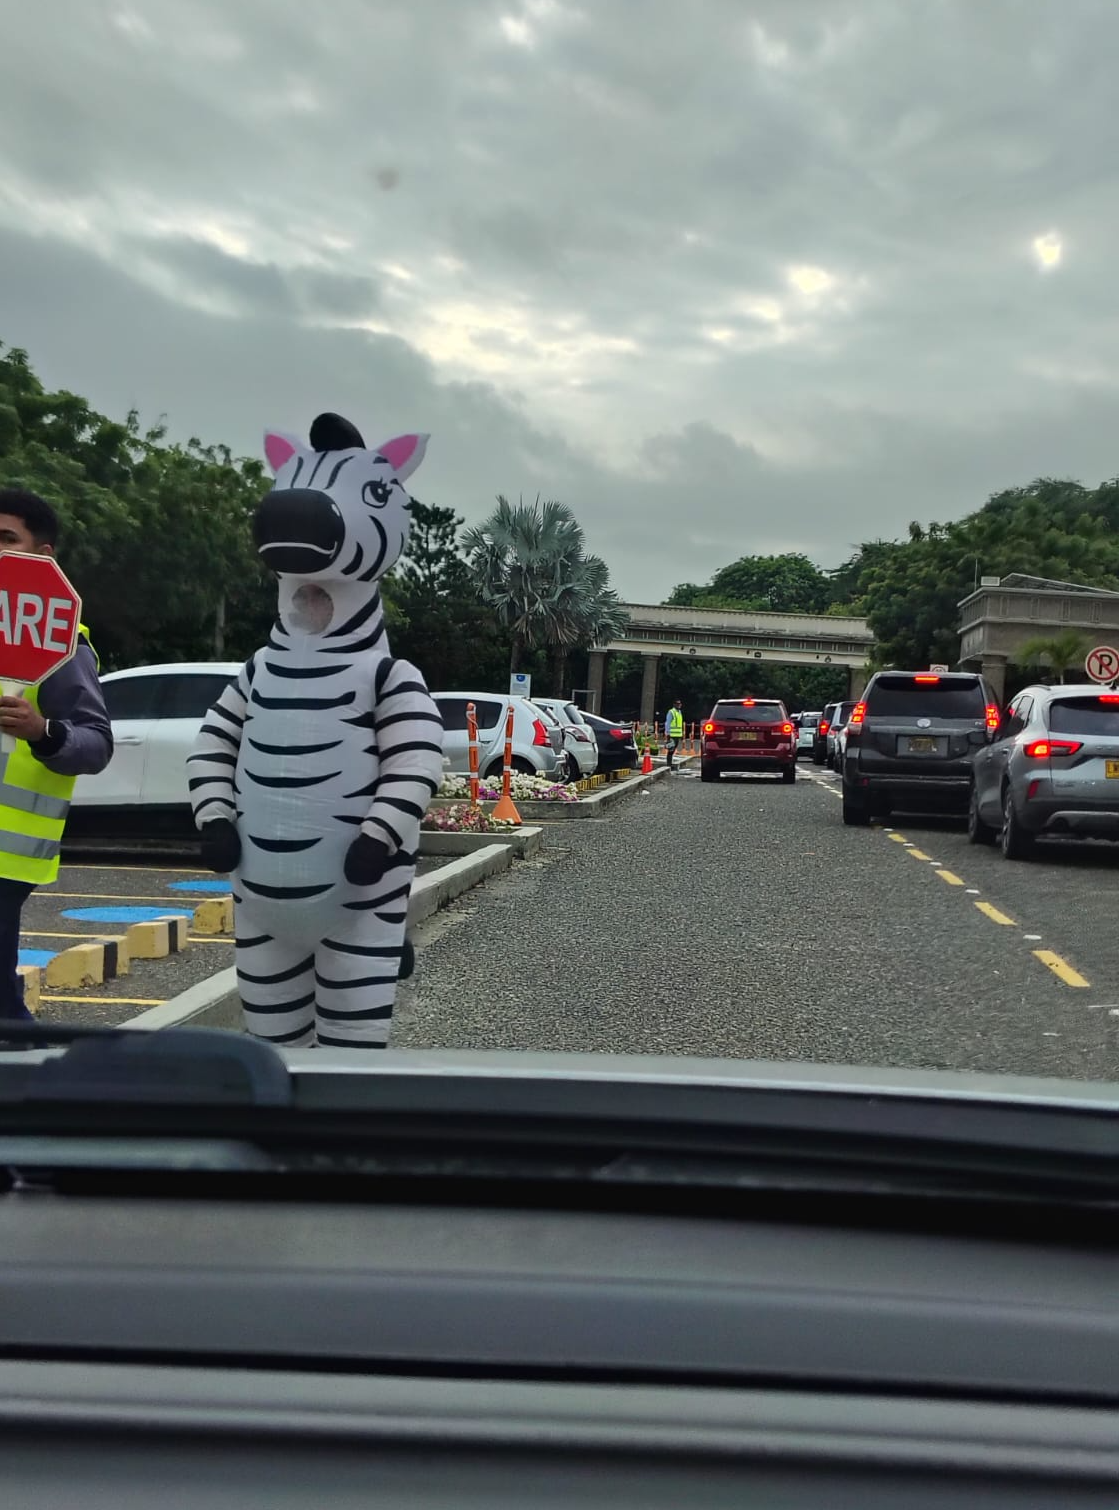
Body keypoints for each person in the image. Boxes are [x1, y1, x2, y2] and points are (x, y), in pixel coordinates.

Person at [0, 489, 113, 1021]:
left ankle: (34, 1091)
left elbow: (95, 743)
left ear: (42, 554)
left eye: (6, 539)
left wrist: (41, 731)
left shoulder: (60, 641)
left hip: (6, 855)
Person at [664, 698, 685, 770]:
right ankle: (668, 764)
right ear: (674, 704)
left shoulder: (679, 712)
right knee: (671, 749)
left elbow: (680, 724)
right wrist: (668, 733)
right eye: (677, 704)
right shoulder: (671, 712)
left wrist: (681, 734)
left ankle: (670, 764)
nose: (679, 705)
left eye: (680, 704)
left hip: (677, 735)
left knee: (673, 749)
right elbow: (668, 723)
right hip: (672, 735)